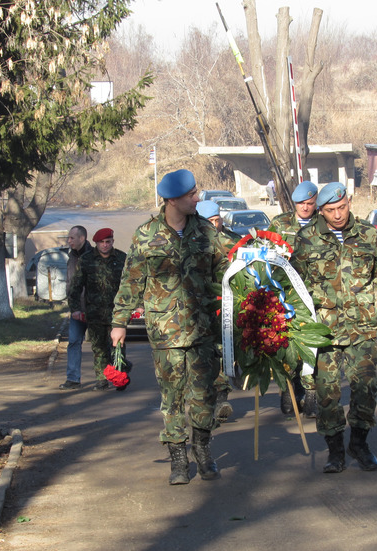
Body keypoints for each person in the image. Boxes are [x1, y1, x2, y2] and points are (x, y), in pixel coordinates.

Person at [110, 169, 229, 485]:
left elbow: (229, 267)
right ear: (173, 200)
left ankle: (202, 448)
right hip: (166, 332)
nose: (197, 198)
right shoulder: (146, 235)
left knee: (204, 395)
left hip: (203, 328)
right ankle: (178, 459)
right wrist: (119, 323)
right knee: (173, 398)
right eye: (191, 195)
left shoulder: (206, 232)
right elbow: (131, 280)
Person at [291, 182, 377, 473]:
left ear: (350, 202)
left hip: (362, 327)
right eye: (330, 210)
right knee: (327, 394)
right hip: (324, 331)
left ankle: (359, 443)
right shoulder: (307, 238)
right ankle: (335, 451)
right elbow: (295, 282)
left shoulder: (367, 234)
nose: (338, 215)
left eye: (342, 207)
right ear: (321, 210)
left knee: (366, 388)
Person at [267, 180, 320, 418]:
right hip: (284, 293)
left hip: (313, 295)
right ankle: (288, 390)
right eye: (301, 203)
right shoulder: (280, 223)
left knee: (311, 342)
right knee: (285, 342)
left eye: (309, 203)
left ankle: (310, 393)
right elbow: (266, 253)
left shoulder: (323, 223)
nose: (305, 208)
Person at [67, 228, 128, 391]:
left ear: (112, 242)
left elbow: (131, 285)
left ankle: (119, 379)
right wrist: (75, 309)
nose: (105, 245)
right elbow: (75, 286)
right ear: (96, 243)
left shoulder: (122, 259)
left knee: (118, 348)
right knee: (99, 348)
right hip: (94, 313)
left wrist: (136, 305)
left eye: (108, 242)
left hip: (117, 314)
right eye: (102, 242)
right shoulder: (87, 260)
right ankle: (102, 380)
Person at [196, 200, 238, 423]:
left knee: (221, 351)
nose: (215, 225)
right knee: (203, 358)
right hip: (200, 308)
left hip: (225, 305)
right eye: (209, 222)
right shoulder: (195, 242)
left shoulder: (232, 241)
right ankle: (207, 402)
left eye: (217, 220)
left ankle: (221, 398)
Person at [60, 225, 92, 390]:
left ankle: (108, 377)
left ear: (82, 238)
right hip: (76, 310)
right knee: (73, 342)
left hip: (94, 309)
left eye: (72, 238)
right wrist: (74, 308)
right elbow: (70, 284)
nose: (69, 241)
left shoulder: (93, 256)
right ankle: (73, 378)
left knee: (103, 344)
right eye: (69, 237)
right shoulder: (71, 257)